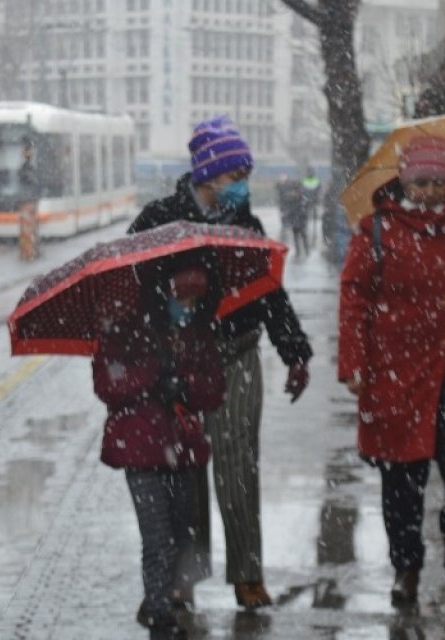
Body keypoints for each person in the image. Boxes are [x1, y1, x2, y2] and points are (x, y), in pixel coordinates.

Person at [128, 115, 313, 610]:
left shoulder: (245, 224)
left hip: (237, 358)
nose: (242, 185)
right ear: (208, 174)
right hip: (181, 365)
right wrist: (167, 298)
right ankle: (184, 576)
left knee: (238, 469)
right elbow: (129, 283)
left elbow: (270, 294)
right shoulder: (158, 220)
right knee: (185, 472)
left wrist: (295, 352)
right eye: (236, 175)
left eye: (245, 176)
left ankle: (247, 575)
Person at [337, 135, 445, 606]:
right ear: (404, 180)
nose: (430, 192)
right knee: (401, 480)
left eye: (439, 182)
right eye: (421, 182)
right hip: (397, 373)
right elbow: (354, 297)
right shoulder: (375, 229)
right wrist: (353, 362)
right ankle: (406, 567)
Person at [91, 258, 226, 638]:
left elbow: (214, 387)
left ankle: (156, 601)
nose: (187, 308)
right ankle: (161, 618)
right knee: (157, 537)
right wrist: (151, 376)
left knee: (182, 535)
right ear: (164, 294)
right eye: (181, 298)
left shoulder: (196, 334)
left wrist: (185, 387)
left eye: (195, 301)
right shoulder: (125, 330)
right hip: (141, 449)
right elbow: (107, 383)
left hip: (182, 448)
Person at [296, 167, 321, 256]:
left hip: (306, 202)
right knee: (312, 216)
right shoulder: (316, 181)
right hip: (312, 201)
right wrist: (315, 198)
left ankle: (306, 226)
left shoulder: (304, 181)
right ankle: (311, 230)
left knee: (306, 216)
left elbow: (302, 190)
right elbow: (318, 190)